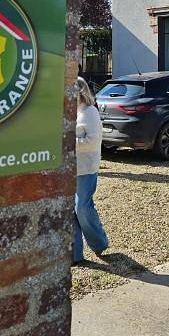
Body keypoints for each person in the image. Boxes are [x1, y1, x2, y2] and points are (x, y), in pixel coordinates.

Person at [73, 76, 109, 263]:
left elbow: (92, 141)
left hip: (86, 168)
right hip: (70, 168)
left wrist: (68, 144)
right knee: (70, 212)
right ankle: (74, 254)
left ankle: (99, 242)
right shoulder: (71, 111)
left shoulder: (90, 112)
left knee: (82, 208)